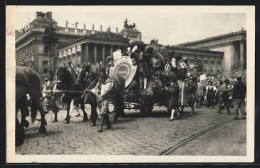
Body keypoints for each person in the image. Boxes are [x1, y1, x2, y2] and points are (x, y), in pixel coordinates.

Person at [92, 68, 113, 132]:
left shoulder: (108, 81)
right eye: (99, 74)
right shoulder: (100, 80)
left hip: (105, 98)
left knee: (103, 112)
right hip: (99, 98)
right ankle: (108, 124)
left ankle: (101, 127)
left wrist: (98, 94)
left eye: (102, 74)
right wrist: (94, 90)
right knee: (103, 113)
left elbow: (106, 90)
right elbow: (96, 87)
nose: (100, 75)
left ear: (104, 73)